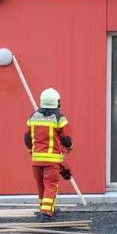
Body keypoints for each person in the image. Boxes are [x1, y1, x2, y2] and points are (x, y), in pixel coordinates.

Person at [24, 87, 74, 222]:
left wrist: (31, 151)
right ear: (57, 102)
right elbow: (66, 138)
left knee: (41, 185)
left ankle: (45, 208)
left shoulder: (33, 116)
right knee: (51, 185)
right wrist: (70, 147)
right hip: (51, 160)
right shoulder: (59, 118)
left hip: (36, 160)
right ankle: (46, 213)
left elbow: (27, 138)